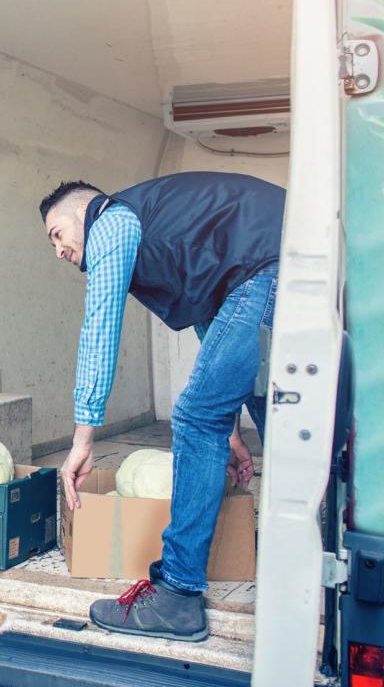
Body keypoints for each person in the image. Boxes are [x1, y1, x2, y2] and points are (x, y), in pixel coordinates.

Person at [39, 172, 283, 642]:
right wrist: (229, 427)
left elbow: (100, 326)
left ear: (82, 211)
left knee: (193, 418)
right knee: (281, 412)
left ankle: (177, 596)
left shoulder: (110, 220)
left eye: (58, 235)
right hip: (286, 264)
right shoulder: (176, 229)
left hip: (267, 267)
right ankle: (310, 557)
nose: (59, 252)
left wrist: (83, 437)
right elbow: (213, 314)